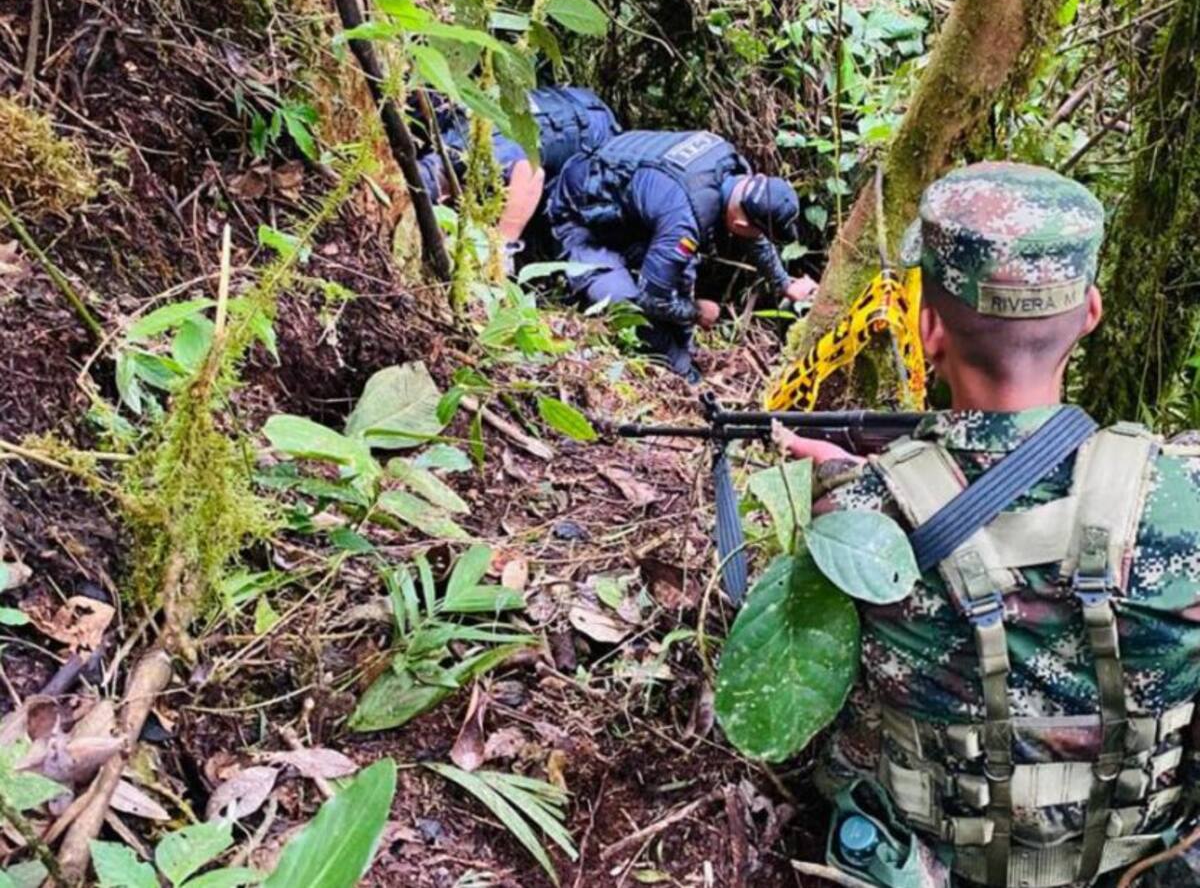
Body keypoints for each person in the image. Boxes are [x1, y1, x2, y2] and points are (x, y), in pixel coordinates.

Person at [774, 162, 1200, 888]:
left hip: (935, 862)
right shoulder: (1183, 488)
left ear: (927, 326)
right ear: (1090, 312)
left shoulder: (855, 516)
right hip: (1141, 862)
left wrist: (835, 487)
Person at [545, 129, 818, 382]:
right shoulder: (683, 218)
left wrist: (784, 283)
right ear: (740, 225)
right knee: (629, 308)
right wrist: (697, 311)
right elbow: (652, 300)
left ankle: (686, 351)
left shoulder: (733, 170)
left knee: (681, 270)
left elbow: (754, 236)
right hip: (581, 219)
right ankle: (682, 373)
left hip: (628, 209)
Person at [415, 87, 621, 264]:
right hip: (561, 101)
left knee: (570, 225)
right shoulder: (446, 129)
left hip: (593, 133)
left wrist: (500, 249)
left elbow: (530, 175)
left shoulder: (480, 155)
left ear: (442, 196)